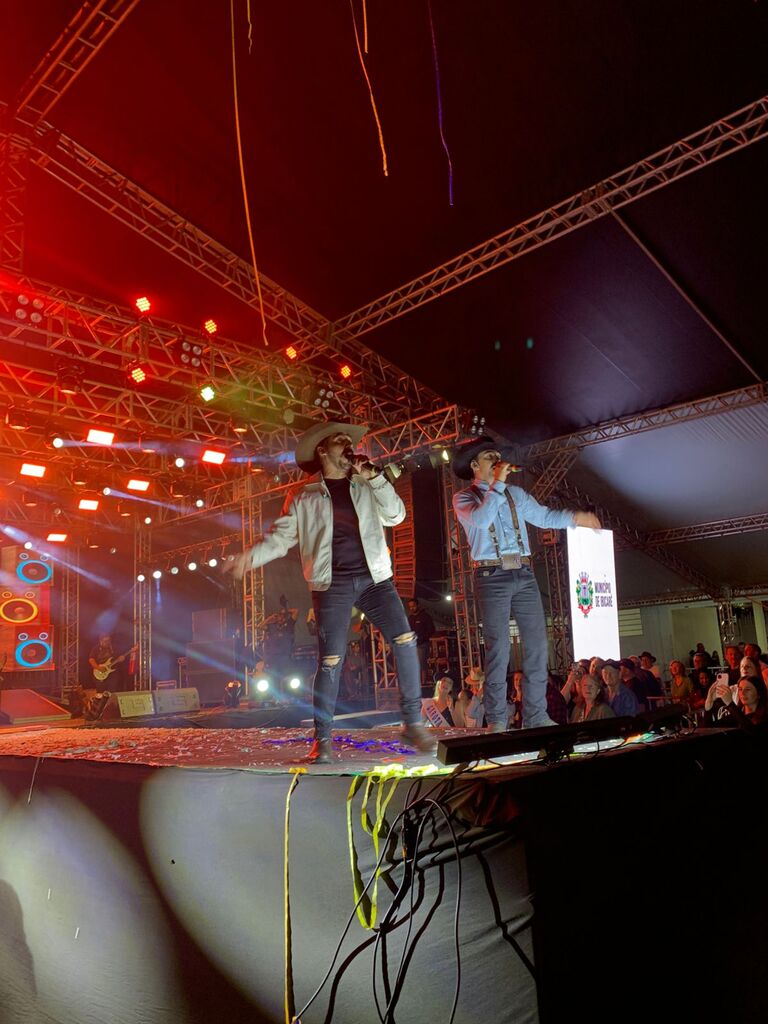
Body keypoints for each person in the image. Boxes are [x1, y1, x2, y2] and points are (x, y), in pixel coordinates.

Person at [224, 421, 434, 762]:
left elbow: (396, 516)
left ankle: (412, 723)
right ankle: (322, 740)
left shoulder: (365, 483)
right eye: (340, 440)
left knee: (405, 639)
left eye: (349, 440)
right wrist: (249, 558)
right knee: (331, 662)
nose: (348, 445)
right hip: (331, 584)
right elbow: (281, 539)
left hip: (374, 579)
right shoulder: (303, 495)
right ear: (322, 450)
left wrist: (376, 478)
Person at [451, 436, 600, 731]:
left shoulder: (515, 493)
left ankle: (535, 715)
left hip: (524, 572)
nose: (496, 459)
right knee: (498, 649)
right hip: (491, 576)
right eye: (489, 456)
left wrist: (575, 517)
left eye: (497, 455)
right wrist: (498, 484)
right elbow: (481, 520)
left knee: (537, 646)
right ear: (474, 465)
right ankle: (496, 719)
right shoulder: (464, 498)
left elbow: (543, 516)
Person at [407, 597, 435, 687]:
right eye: (410, 607)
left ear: (418, 605)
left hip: (422, 644)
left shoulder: (425, 616)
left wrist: (422, 638)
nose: (412, 608)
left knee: (421, 662)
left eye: (413, 606)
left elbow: (431, 630)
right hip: (413, 645)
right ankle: (416, 682)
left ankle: (423, 683)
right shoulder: (410, 618)